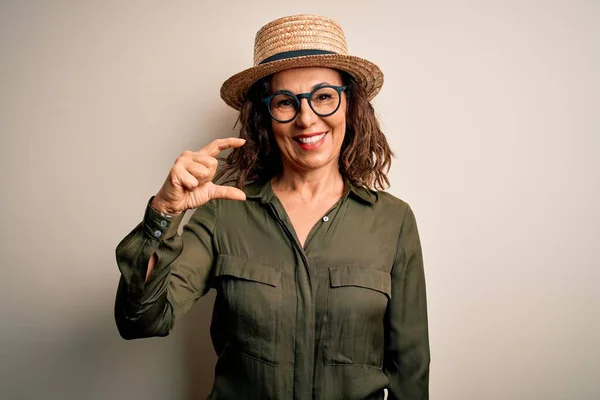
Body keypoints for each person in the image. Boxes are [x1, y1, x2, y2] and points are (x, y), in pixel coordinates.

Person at [114, 14, 430, 400]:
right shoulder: (222, 213)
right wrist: (164, 210)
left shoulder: (393, 221)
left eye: (324, 96)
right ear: (266, 115)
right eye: (286, 102)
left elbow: (410, 371)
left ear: (350, 104)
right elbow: (141, 320)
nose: (307, 118)